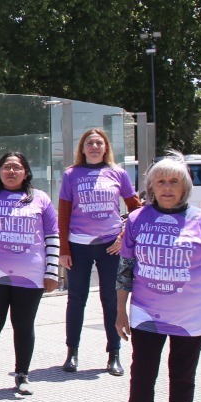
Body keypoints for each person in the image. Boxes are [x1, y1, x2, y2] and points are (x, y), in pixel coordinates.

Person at [112, 153, 201, 402]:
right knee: (142, 375)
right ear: (150, 187)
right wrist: (121, 311)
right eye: (160, 182)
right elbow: (125, 268)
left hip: (192, 313)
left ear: (185, 187)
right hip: (147, 312)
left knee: (182, 376)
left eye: (174, 182)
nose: (167, 188)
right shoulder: (136, 220)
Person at [0, 152, 59, 395]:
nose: (11, 172)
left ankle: (22, 375)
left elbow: (52, 238)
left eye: (16, 167)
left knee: (24, 325)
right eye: (6, 167)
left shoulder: (41, 199)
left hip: (31, 276)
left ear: (26, 172)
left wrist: (52, 272)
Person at [57, 128, 142, 375]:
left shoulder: (118, 173)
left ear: (106, 148)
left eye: (99, 143)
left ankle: (113, 354)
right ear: (82, 149)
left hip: (111, 247)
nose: (94, 147)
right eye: (89, 143)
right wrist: (64, 249)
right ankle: (72, 353)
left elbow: (136, 210)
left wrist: (124, 237)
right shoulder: (71, 175)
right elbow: (63, 214)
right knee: (76, 299)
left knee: (111, 299)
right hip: (79, 245)